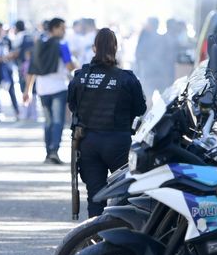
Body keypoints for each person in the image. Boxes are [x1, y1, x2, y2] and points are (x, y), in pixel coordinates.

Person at [69, 28, 147, 218]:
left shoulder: (80, 77)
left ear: (94, 48)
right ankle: (119, 239)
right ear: (115, 48)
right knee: (125, 196)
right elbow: (140, 109)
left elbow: (73, 106)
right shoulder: (127, 79)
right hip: (118, 142)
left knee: (95, 197)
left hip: (88, 142)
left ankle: (93, 240)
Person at [23, 17, 75, 164]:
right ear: (54, 28)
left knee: (48, 121)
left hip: (42, 89)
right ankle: (54, 151)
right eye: (62, 28)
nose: (64, 31)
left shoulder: (38, 45)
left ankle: (48, 152)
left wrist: (28, 90)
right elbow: (70, 66)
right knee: (58, 121)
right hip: (59, 87)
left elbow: (31, 70)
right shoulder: (62, 45)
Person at [12, 20, 38, 121]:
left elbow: (15, 51)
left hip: (23, 66)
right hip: (34, 66)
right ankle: (33, 114)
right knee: (33, 89)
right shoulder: (32, 35)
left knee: (24, 88)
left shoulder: (19, 37)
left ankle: (25, 112)